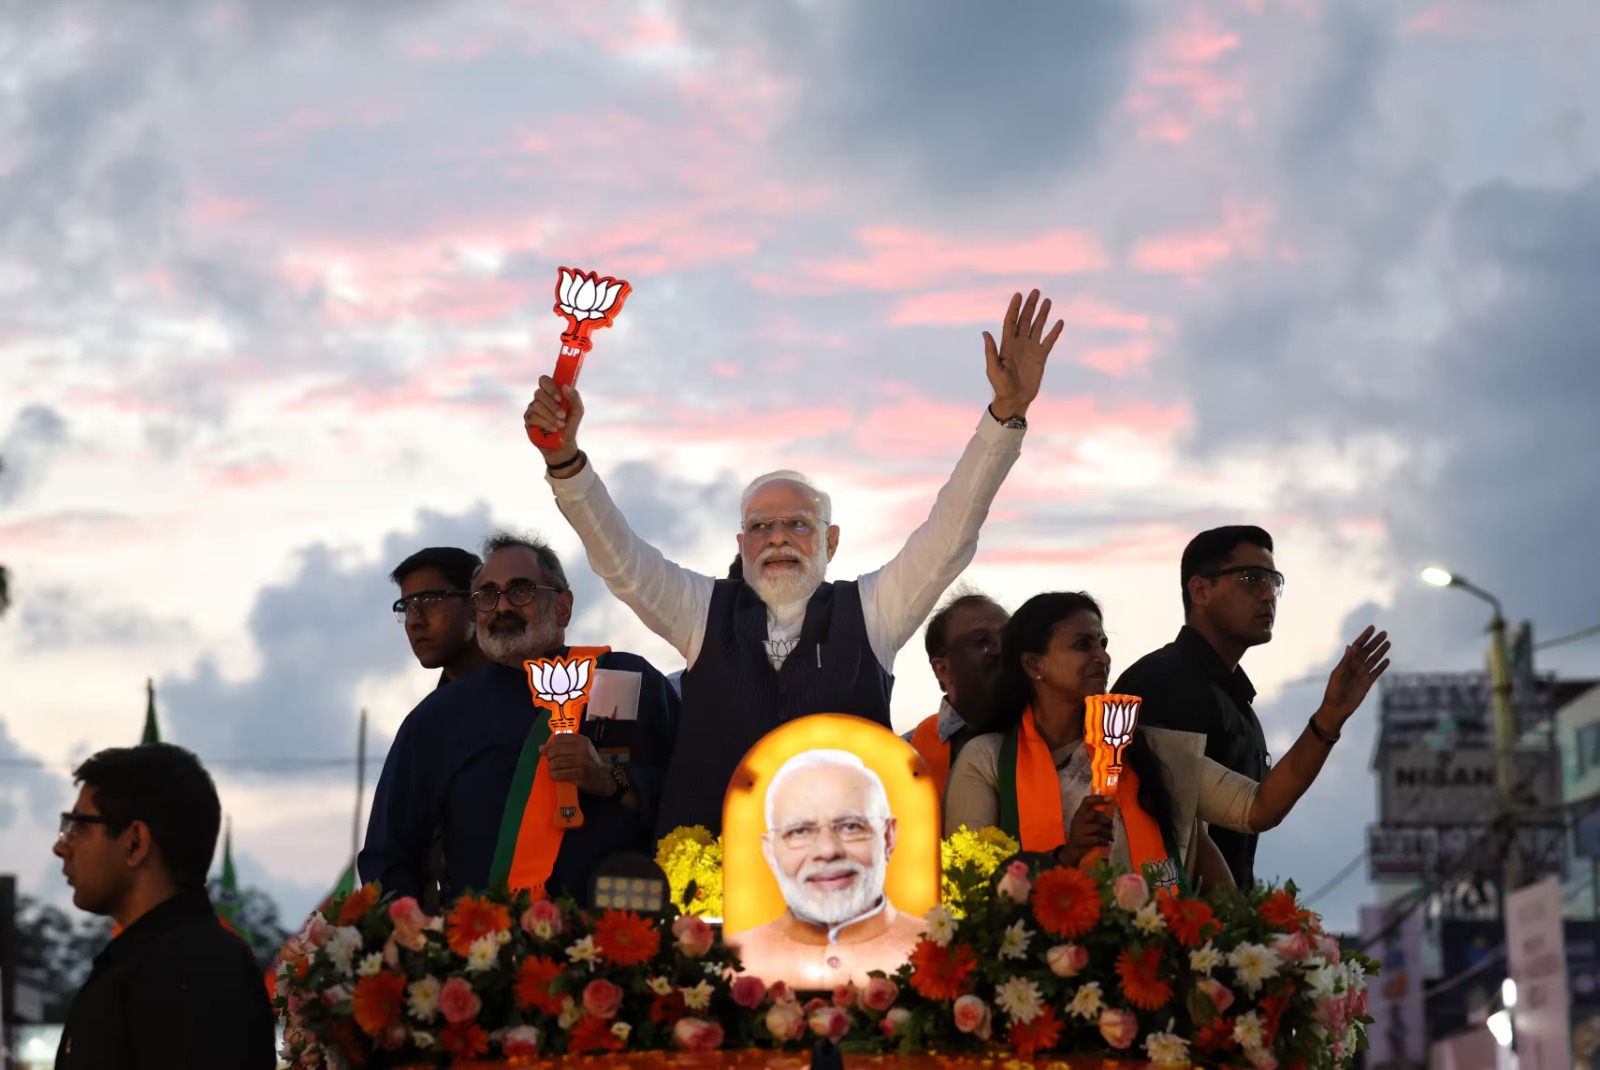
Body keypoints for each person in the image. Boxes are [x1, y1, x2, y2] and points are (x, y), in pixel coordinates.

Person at [525, 290, 1065, 835]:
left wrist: (1006, 416)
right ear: (742, 545)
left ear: (831, 542)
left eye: (798, 525)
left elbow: (951, 532)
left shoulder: (873, 610)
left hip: (843, 874)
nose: (778, 538)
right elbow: (620, 559)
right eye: (761, 527)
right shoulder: (701, 612)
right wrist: (565, 461)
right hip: (711, 875)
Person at [944, 592, 1389, 895]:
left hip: (1152, 976)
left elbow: (1260, 807)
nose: (1102, 656)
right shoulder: (986, 760)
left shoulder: (1152, 751)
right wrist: (1065, 857)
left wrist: (1329, 717)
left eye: (1103, 643)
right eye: (1083, 645)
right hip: (1033, 986)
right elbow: (971, 884)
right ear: (1033, 664)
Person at [360, 532, 679, 903]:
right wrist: (412, 931)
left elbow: (696, 798)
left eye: (521, 591)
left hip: (623, 928)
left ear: (563, 606)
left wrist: (612, 781)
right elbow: (388, 855)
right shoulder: (437, 718)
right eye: (487, 596)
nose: (501, 607)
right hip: (487, 936)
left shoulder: (623, 678)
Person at [52, 744, 275, 1068]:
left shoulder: (198, 971)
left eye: (80, 827)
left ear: (136, 842)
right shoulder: (145, 963)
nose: (61, 847)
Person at [1112, 526, 1279, 888]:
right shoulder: (1162, 681)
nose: (1268, 595)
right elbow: (1174, 821)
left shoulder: (1236, 699)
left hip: (1217, 918)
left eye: (1273, 581)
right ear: (1201, 590)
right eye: (1252, 579)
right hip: (1163, 913)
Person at [726, 750, 924, 990]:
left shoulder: (941, 951)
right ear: (770, 852)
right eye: (800, 831)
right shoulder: (734, 961)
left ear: (888, 837)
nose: (828, 850)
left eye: (851, 827)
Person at [904, 589, 1009, 801]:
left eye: (1008, 638)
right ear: (943, 669)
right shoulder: (905, 754)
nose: (1000, 650)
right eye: (981, 641)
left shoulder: (1055, 736)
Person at [391, 546, 488, 686]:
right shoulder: (440, 701)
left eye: (429, 600)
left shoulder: (521, 683)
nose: (413, 622)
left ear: (475, 603)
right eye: (406, 608)